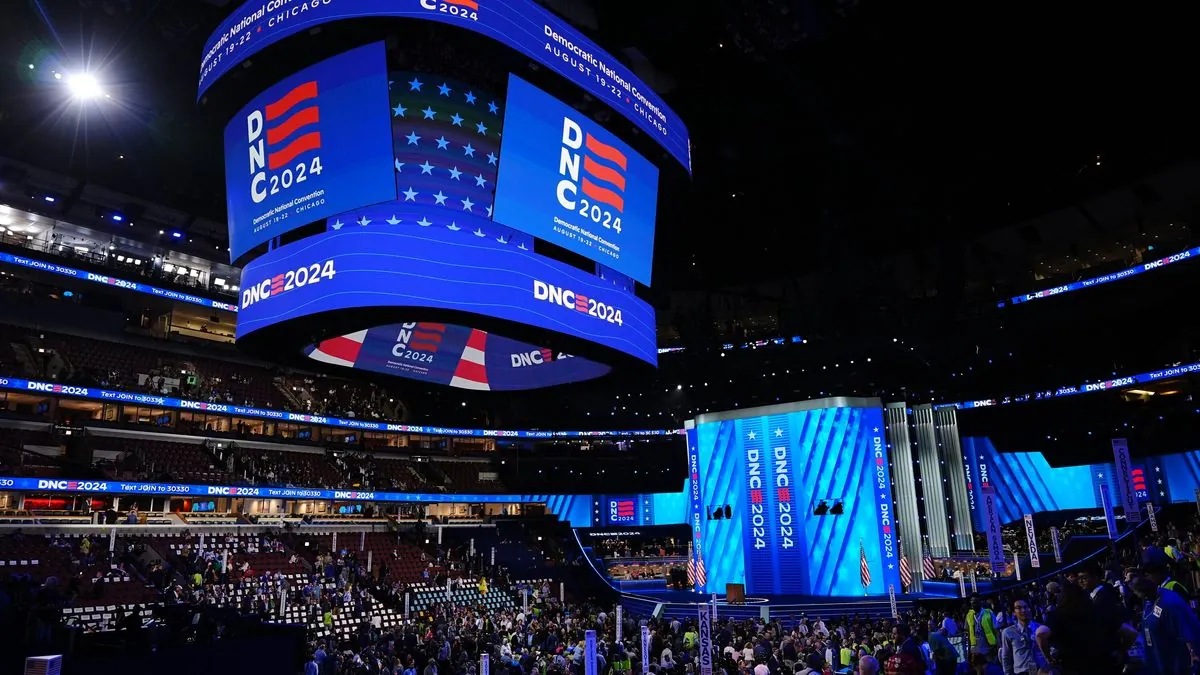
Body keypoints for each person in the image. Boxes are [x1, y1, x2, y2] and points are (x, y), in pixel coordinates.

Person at [1133, 574, 1200, 675]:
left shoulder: (1168, 603)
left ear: (1145, 592)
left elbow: (1183, 628)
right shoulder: (1149, 601)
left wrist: (1192, 652)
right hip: (1157, 652)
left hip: (1174, 654)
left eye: (1137, 593)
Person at [999, 599, 1047, 675]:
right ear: (1014, 612)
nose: (1023, 610)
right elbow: (1006, 657)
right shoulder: (1008, 632)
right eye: (1019, 608)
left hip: (1041, 671)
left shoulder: (1039, 628)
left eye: (1025, 607)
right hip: (1022, 672)